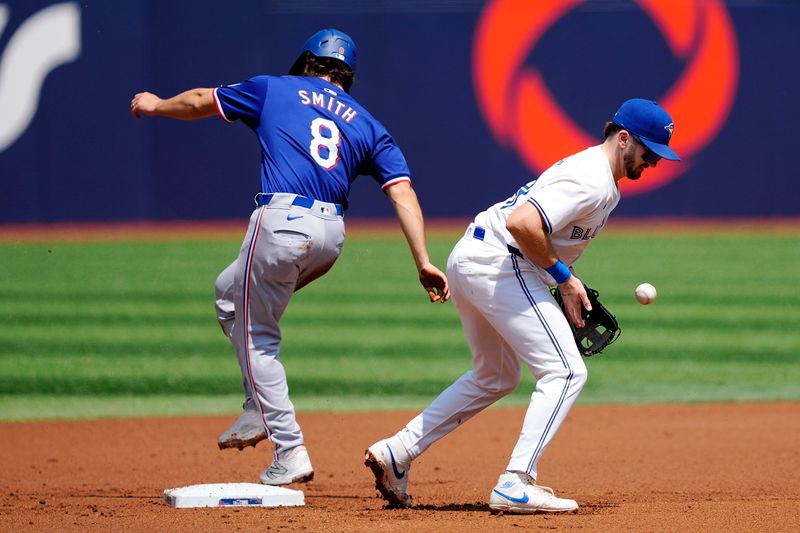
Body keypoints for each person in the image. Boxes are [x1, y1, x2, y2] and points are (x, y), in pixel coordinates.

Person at [130, 28, 449, 485]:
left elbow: (203, 98)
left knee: (258, 335)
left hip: (282, 221)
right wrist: (422, 259)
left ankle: (289, 448)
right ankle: (257, 406)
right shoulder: (368, 124)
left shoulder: (275, 87)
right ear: (347, 76)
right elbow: (402, 192)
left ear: (306, 62)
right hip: (330, 236)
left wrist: (157, 104)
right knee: (228, 295)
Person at [364, 98, 680, 513]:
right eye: (649, 152)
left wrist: (564, 281)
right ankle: (515, 482)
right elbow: (523, 223)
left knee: (495, 375)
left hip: (477, 258)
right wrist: (565, 280)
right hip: (499, 261)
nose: (653, 162)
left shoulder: (603, 181)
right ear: (624, 139)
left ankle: (398, 451)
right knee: (565, 371)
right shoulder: (591, 178)